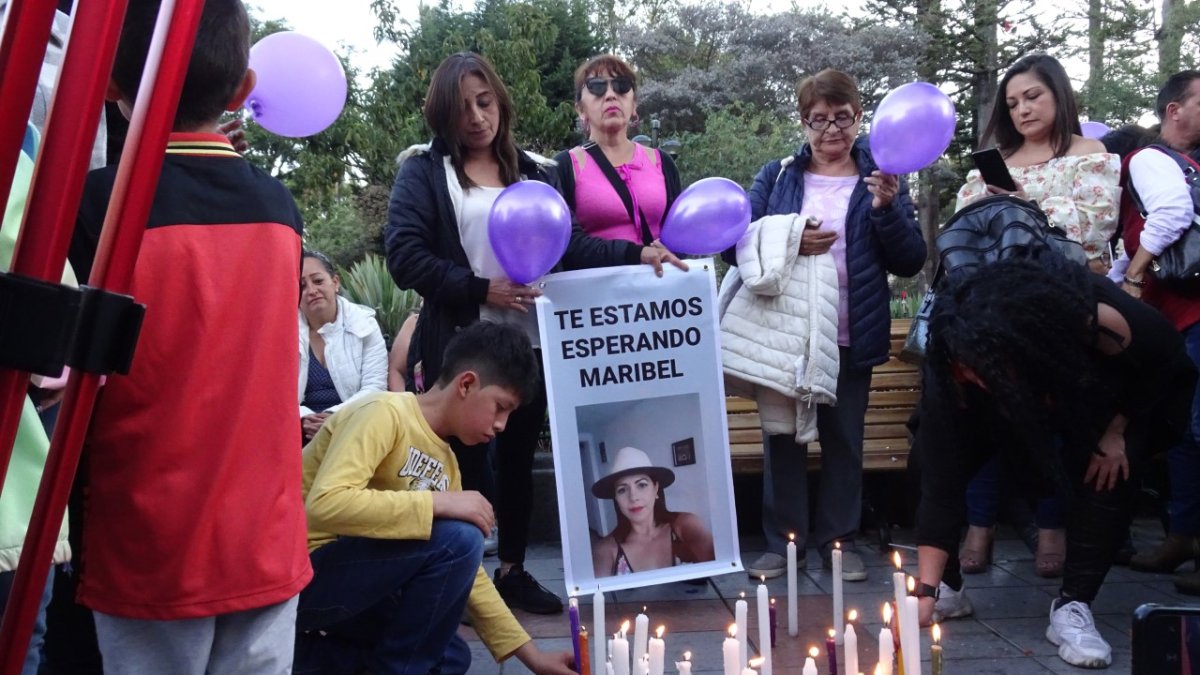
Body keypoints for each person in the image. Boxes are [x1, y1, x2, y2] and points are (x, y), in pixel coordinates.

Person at [384, 51, 681, 614]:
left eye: (485, 101)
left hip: (530, 345)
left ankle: (512, 572)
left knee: (518, 462)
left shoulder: (536, 171)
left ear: (500, 100)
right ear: (441, 117)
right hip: (460, 344)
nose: (476, 117)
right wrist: (480, 288)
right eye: (461, 108)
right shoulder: (422, 171)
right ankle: (457, 581)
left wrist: (635, 252)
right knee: (460, 464)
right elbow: (404, 256)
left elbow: (571, 244)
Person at [66, 1, 312, 671]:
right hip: (265, 532)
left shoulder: (95, 207)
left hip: (149, 541)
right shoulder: (279, 210)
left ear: (111, 85)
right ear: (242, 90)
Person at [912, 255, 1196, 669]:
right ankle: (948, 590)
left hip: (1108, 395)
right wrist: (925, 590)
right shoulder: (956, 362)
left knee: (1110, 468)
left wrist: (1117, 429)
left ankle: (1073, 606)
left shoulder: (1094, 322)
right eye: (963, 370)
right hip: (1015, 400)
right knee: (924, 458)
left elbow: (1165, 358)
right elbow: (940, 483)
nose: (971, 376)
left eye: (981, 370)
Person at [734, 68, 927, 582]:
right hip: (787, 335)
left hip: (850, 332)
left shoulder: (883, 179)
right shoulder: (777, 176)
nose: (831, 130)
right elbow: (740, 240)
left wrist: (887, 210)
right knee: (784, 441)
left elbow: (910, 261)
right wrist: (791, 240)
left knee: (844, 441)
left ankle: (838, 542)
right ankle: (784, 544)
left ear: (859, 118)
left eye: (842, 117)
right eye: (818, 119)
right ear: (803, 123)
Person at [294, 322, 573, 675]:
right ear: (467, 383)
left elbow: (470, 574)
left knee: (450, 657)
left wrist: (534, 658)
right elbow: (324, 505)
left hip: (357, 589)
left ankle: (302, 659)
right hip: (302, 574)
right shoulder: (383, 412)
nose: (502, 424)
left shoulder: (447, 464)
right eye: (500, 407)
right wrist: (439, 504)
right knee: (459, 537)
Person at [952, 53, 1121, 579]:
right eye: (1013, 102)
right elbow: (965, 225)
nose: (1022, 109)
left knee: (1053, 415)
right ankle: (978, 524)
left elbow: (1096, 228)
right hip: (996, 310)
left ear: (1059, 95)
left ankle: (1053, 525)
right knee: (985, 411)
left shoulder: (1091, 154)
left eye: (1033, 96)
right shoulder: (994, 162)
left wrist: (1023, 203)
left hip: (1062, 308)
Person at [1103, 76, 1200, 592]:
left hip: (1187, 311)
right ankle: (1183, 536)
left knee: (1194, 428)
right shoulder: (1154, 158)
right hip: (1180, 313)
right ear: (1173, 110)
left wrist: (1132, 276)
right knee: (1186, 430)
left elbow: (1173, 213)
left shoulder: (1147, 161)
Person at [554, 54, 682, 245]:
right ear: (580, 109)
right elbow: (565, 245)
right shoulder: (564, 167)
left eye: (622, 86)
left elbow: (679, 232)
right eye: (597, 87)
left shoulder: (662, 163)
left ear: (634, 105)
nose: (611, 95)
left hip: (658, 275)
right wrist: (634, 254)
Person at [298, 249, 388, 441]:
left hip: (353, 427)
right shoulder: (283, 334)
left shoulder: (365, 325)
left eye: (318, 281)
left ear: (335, 283)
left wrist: (333, 417)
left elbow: (375, 387)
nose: (311, 290)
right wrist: (303, 417)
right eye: (301, 286)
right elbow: (274, 392)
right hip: (300, 431)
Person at [589, 446, 715, 577]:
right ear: (616, 498)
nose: (633, 497)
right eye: (622, 490)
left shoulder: (684, 525)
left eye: (642, 485)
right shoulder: (606, 550)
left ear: (656, 489)